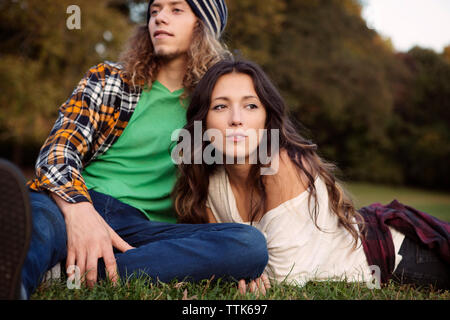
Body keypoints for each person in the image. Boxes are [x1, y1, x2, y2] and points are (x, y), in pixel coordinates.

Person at [0, 1, 269, 300]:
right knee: (38, 227)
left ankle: (78, 270)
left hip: (140, 229)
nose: (159, 18)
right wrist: (79, 210)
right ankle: (17, 285)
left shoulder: (214, 107)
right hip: (74, 201)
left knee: (248, 245)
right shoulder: (108, 79)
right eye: (154, 11)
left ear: (203, 27)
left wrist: (236, 262)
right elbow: (57, 151)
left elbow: (244, 170)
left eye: (176, 10)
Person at [173, 59, 450, 291]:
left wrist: (234, 275)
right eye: (220, 106)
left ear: (266, 118)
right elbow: (219, 259)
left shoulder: (280, 165)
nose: (236, 119)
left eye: (250, 105)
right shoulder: (209, 182)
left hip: (398, 256)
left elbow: (284, 279)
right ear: (204, 121)